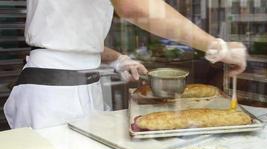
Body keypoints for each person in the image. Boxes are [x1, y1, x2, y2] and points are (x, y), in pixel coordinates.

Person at [4, 0, 247, 129]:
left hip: (64, 88)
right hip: (56, 96)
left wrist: (118, 59)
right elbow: (136, 6)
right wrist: (217, 46)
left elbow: (66, 36)